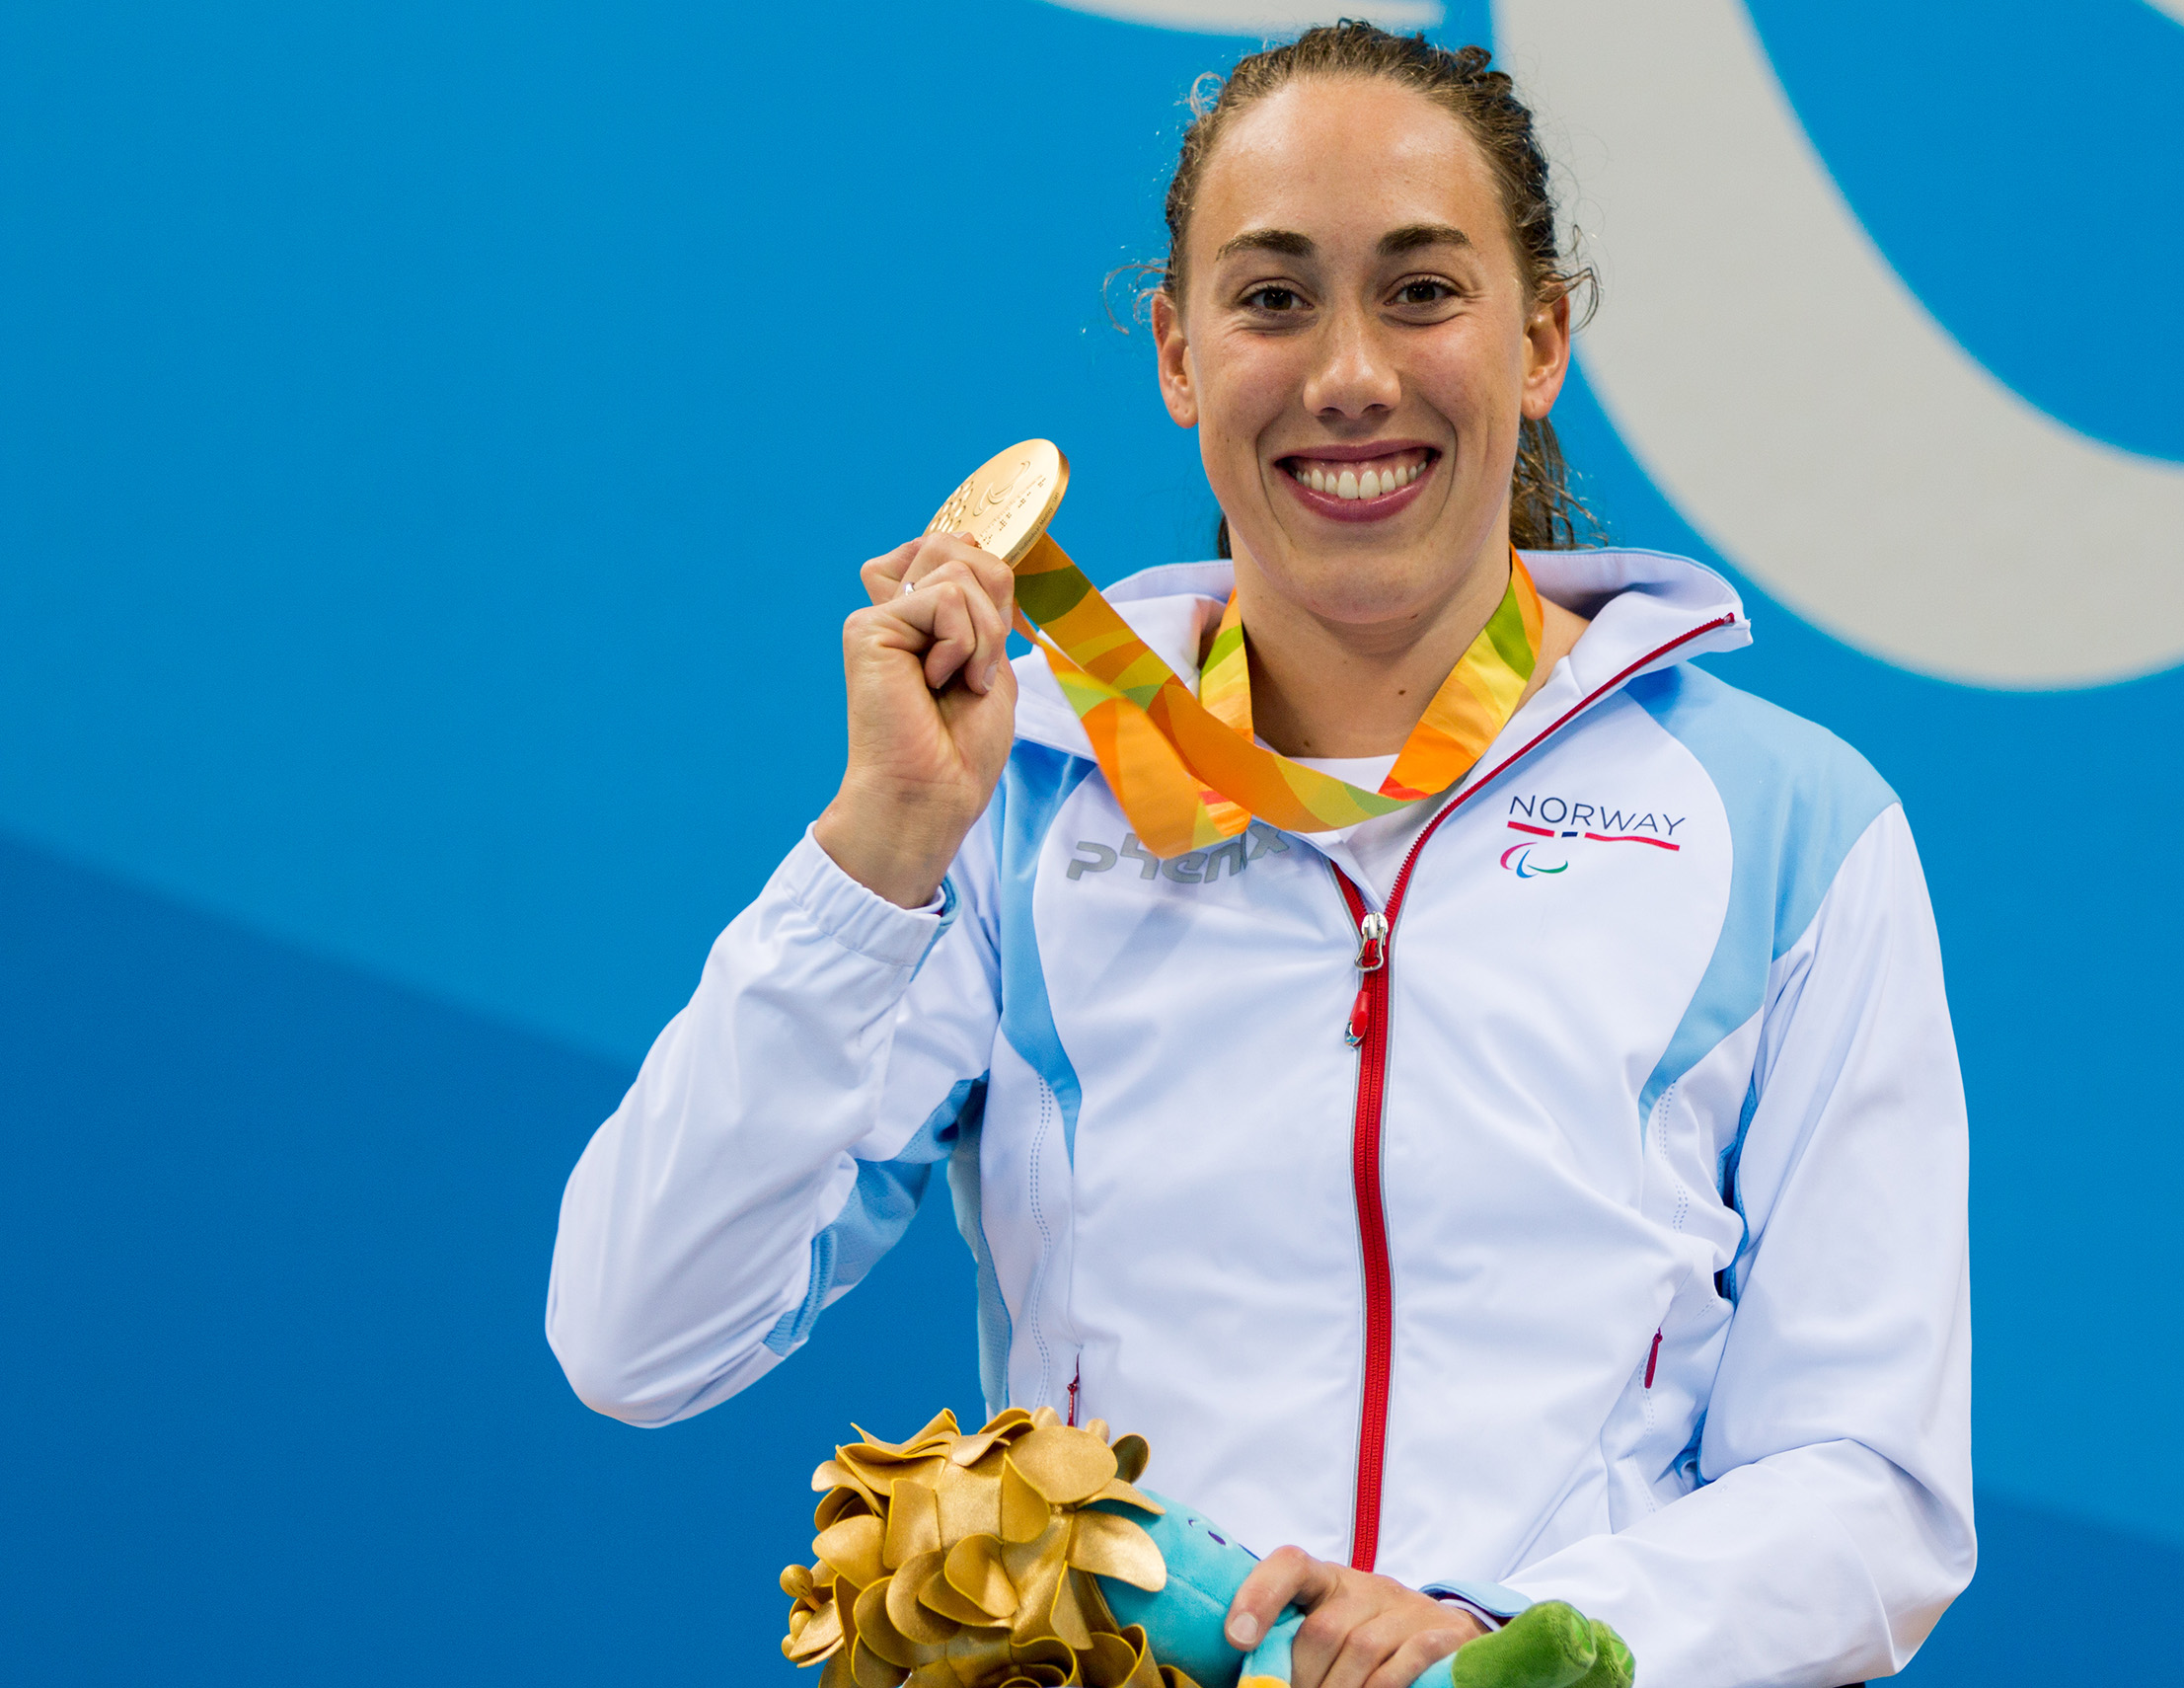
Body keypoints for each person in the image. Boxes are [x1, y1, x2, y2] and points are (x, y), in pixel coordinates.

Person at [547, 23, 1971, 1688]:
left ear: (1541, 337)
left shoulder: (1787, 825)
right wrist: (875, 858)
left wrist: (1505, 1644)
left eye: (1423, 290)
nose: (1349, 372)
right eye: (1274, 296)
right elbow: (634, 1331)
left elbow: (1869, 1490)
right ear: (1175, 349)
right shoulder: (1021, 806)